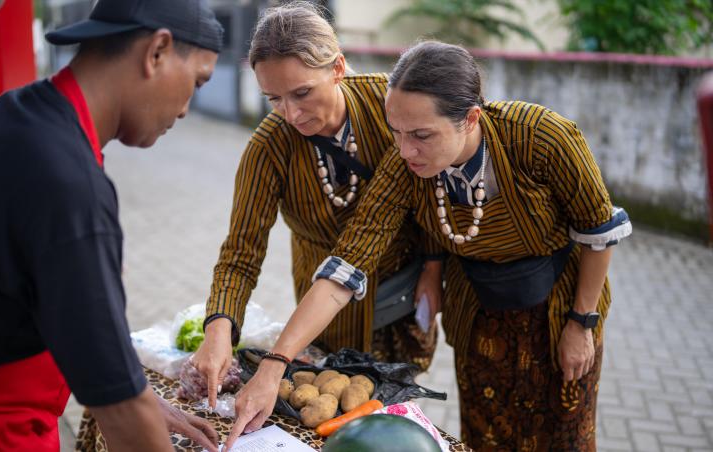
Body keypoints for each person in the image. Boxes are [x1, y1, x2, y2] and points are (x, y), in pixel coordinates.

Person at [225, 41, 632, 451]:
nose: (405, 151)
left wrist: (583, 322)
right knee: (485, 431)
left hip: (559, 310)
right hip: (478, 312)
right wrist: (274, 365)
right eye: (397, 133)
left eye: (421, 135)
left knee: (564, 434)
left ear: (470, 118)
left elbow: (597, 230)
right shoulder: (405, 167)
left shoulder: (538, 137)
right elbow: (347, 264)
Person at [0, 0, 224, 450]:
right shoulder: (68, 183)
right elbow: (119, 411)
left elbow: (76, 327)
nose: (184, 110)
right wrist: (130, 404)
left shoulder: (17, 115)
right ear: (157, 51)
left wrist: (140, 398)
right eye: (196, 81)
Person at [194, 2, 445, 412]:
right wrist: (219, 327)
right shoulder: (269, 147)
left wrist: (434, 268)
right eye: (273, 98)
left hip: (403, 289)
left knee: (396, 404)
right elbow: (241, 254)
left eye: (302, 93)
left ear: (338, 68)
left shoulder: (391, 111)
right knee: (333, 402)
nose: (291, 114)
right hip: (323, 308)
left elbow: (432, 189)